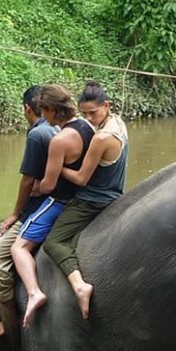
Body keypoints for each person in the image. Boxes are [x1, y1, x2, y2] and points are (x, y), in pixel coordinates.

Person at [42, 81, 128, 319]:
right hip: (115, 192)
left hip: (92, 200)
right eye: (85, 114)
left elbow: (80, 178)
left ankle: (79, 285)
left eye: (93, 112)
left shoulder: (101, 138)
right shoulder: (118, 123)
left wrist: (57, 168)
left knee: (53, 242)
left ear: (107, 105)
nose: (89, 119)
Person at [12, 84, 95, 328]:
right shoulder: (87, 127)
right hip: (84, 196)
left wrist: (39, 186)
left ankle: (34, 292)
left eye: (44, 111)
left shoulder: (60, 140)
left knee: (18, 247)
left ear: (50, 110)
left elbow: (48, 186)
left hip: (59, 201)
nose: (42, 116)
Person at [0, 86, 59, 338]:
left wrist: (15, 213)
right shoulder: (59, 128)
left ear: (28, 108)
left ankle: (9, 324)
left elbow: (27, 181)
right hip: (60, 201)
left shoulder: (38, 134)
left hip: (39, 208)